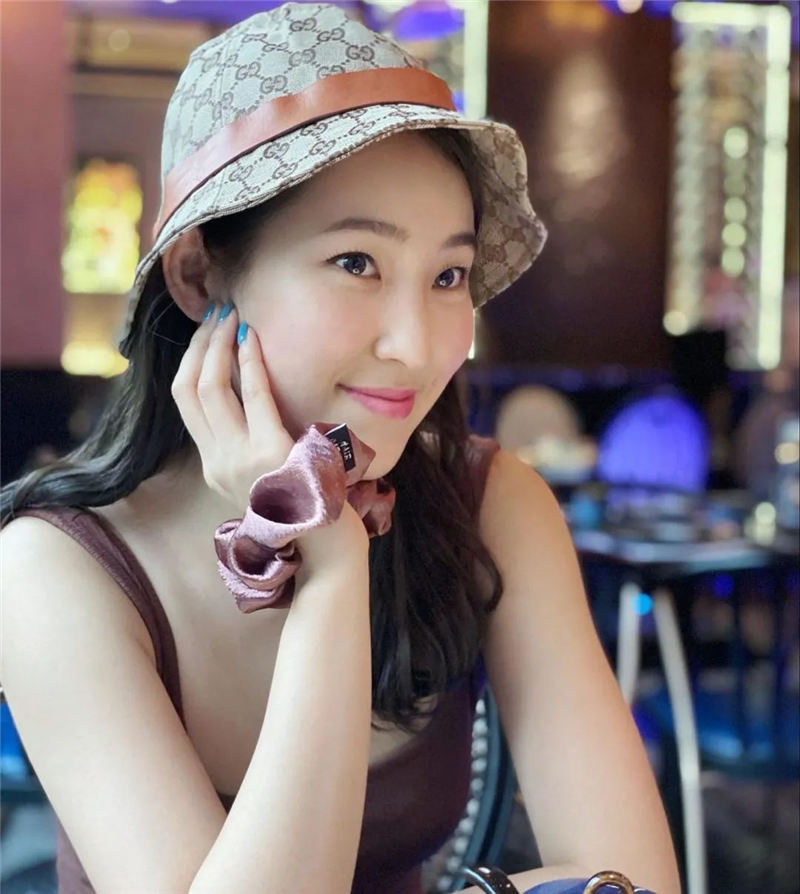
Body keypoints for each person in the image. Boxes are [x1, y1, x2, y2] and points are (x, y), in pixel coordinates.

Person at [0, 5, 680, 893]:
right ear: (200, 274)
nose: (417, 344)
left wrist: (331, 548)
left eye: (448, 276)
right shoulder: (53, 569)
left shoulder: (494, 502)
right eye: (357, 262)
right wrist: (328, 564)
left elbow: (634, 879)